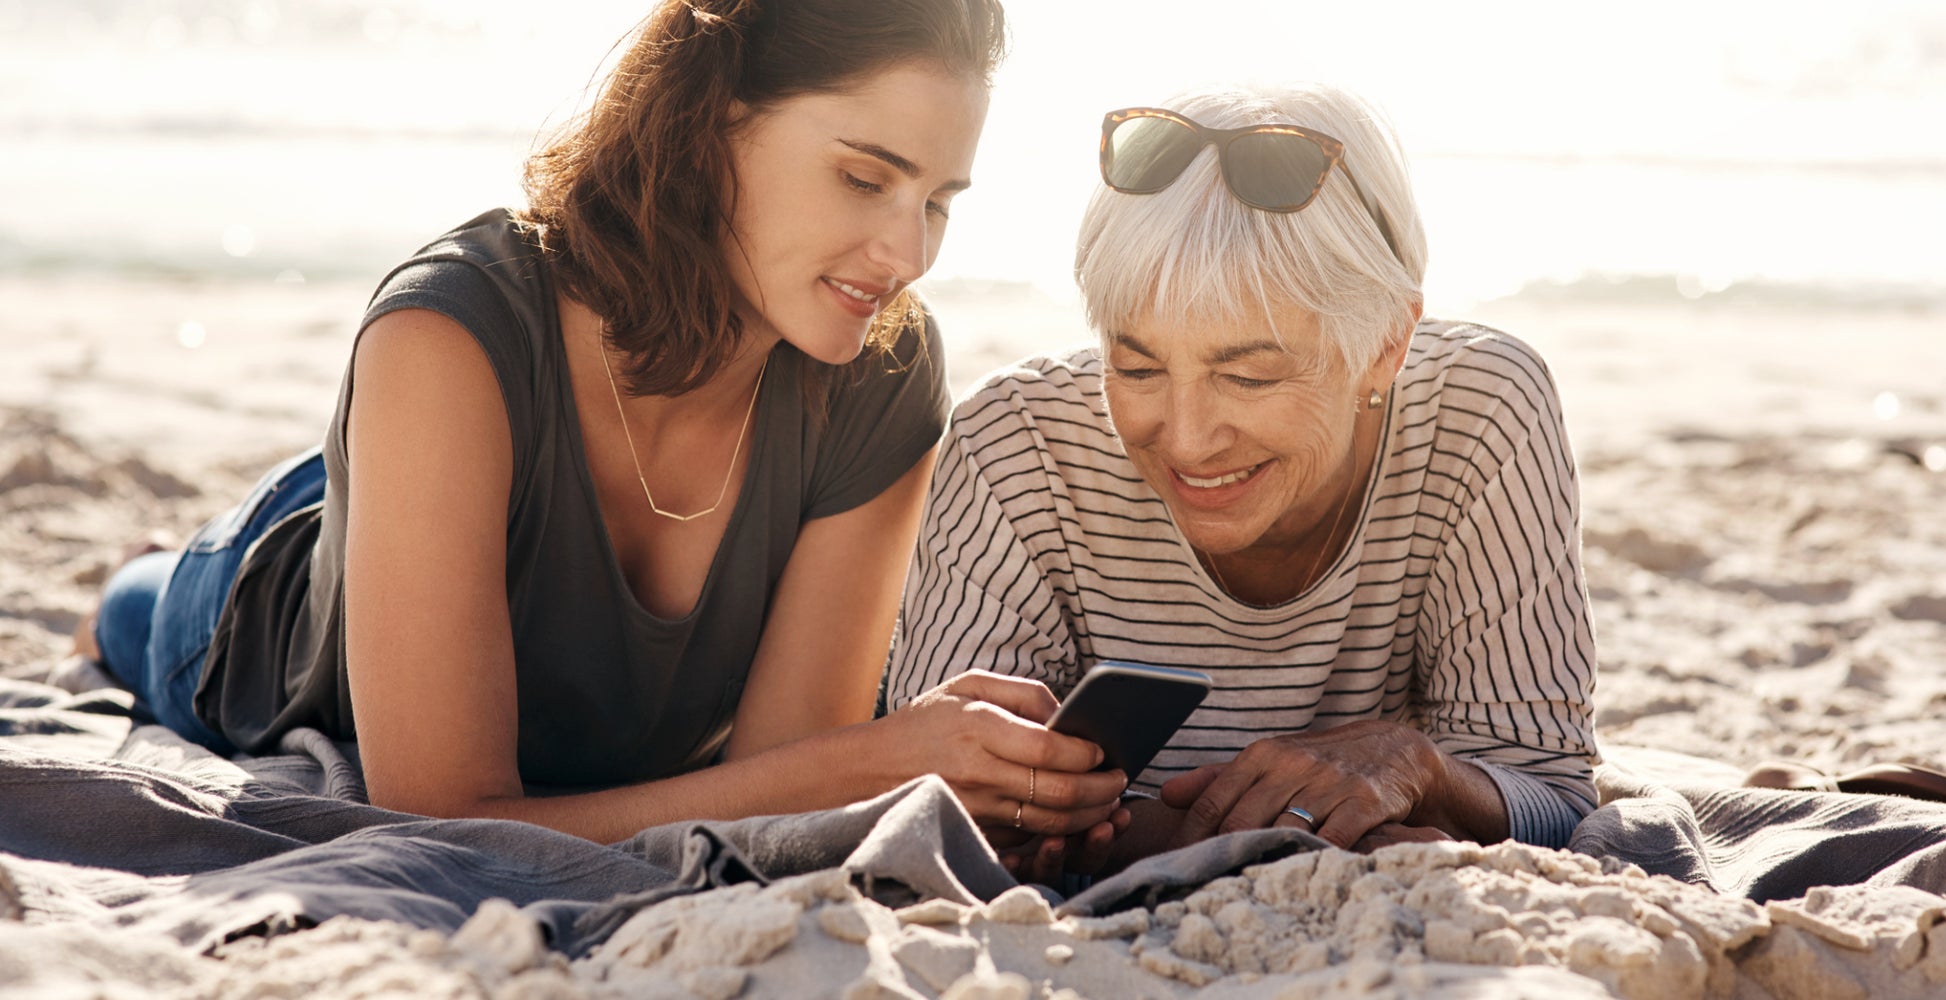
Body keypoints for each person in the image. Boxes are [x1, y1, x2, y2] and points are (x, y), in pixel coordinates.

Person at [76, 0, 1127, 847]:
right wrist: (879, 757)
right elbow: (440, 816)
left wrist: (888, 764)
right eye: (863, 177)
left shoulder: (882, 374)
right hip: (271, 594)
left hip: (450, 471)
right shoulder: (447, 335)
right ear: (712, 120)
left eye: (937, 200)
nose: (907, 253)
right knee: (143, 615)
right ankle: (143, 572)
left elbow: (771, 782)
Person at [887, 84, 1599, 875]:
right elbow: (931, 809)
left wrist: (1419, 769)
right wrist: (1284, 839)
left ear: (1387, 345)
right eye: (1136, 365)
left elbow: (1553, 797)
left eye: (1250, 378)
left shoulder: (1480, 411)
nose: (1187, 440)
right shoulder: (1019, 446)